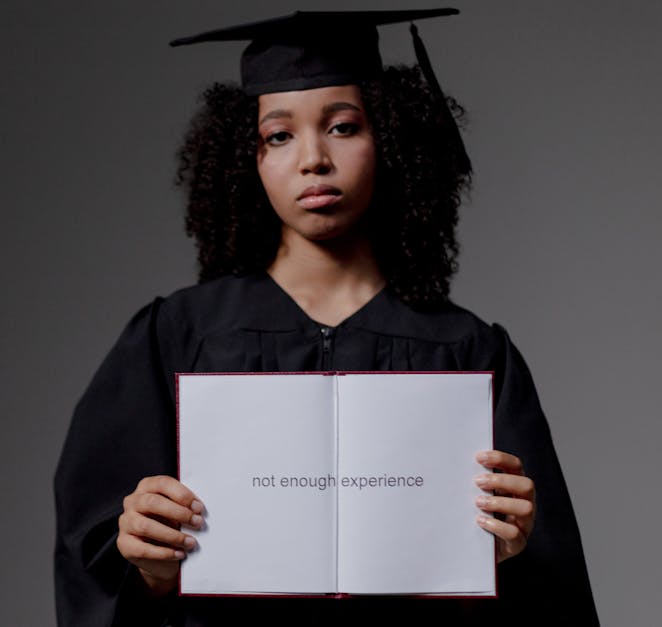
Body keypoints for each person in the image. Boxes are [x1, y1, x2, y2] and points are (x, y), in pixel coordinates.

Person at [54, 9, 598, 626]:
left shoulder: (468, 350)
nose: (313, 158)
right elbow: (97, 562)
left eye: (343, 127)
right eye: (278, 136)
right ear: (246, 159)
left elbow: (553, 594)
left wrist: (508, 555)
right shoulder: (176, 336)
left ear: (390, 138)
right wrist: (148, 566)